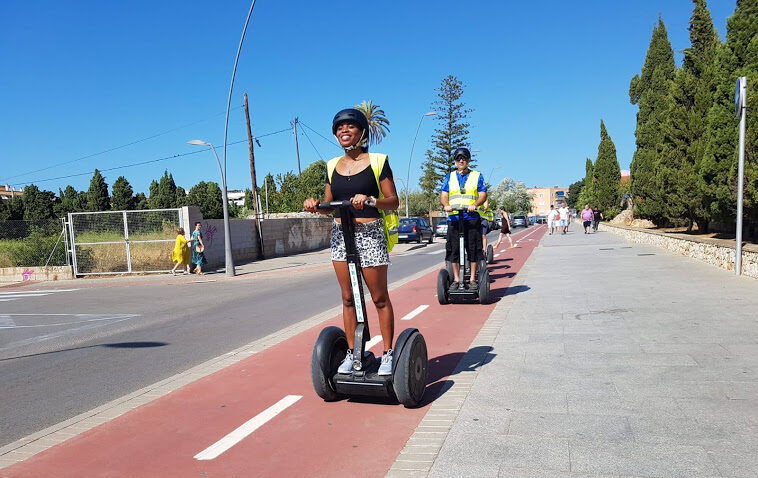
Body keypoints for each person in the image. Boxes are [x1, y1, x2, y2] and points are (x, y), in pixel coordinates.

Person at [303, 108, 400, 376]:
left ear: (362, 132)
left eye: (350, 126)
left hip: (369, 233)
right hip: (340, 234)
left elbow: (393, 201)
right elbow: (328, 204)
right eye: (339, 128)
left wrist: (370, 200)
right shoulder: (332, 165)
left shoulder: (378, 161)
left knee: (379, 298)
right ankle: (352, 352)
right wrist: (315, 205)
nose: (343, 131)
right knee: (348, 298)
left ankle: (388, 354)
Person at [440, 147, 488, 291]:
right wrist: (446, 205)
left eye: (464, 158)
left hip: (471, 218)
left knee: (473, 249)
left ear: (468, 160)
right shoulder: (450, 176)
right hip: (454, 218)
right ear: (455, 161)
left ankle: (473, 278)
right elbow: (443, 195)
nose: (461, 160)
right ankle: (456, 279)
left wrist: (475, 204)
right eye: (458, 158)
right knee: (453, 250)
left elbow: (482, 194)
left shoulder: (477, 175)